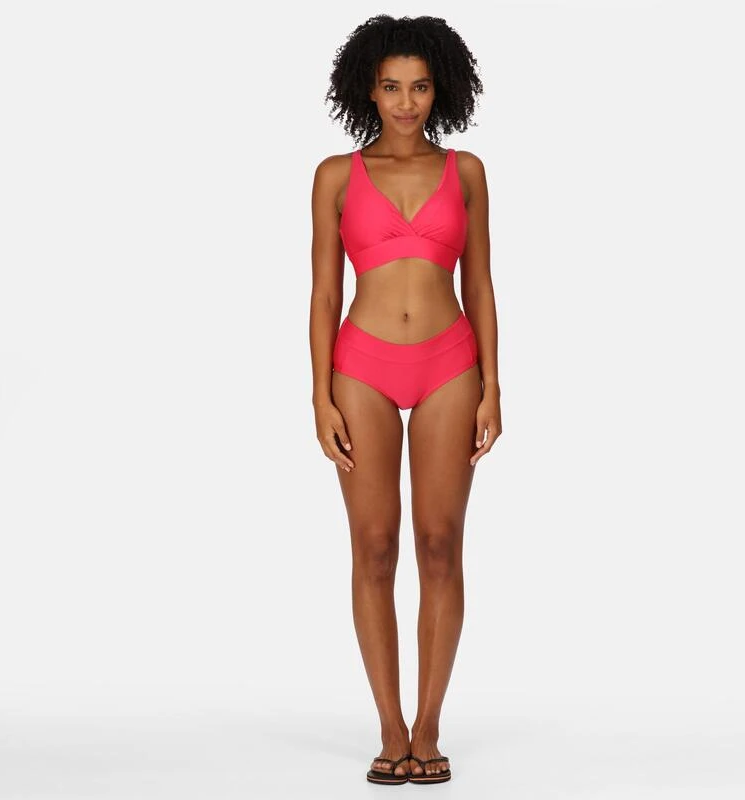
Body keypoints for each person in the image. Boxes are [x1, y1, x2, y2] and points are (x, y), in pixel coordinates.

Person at [309, 14, 502, 785]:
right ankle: (389, 728)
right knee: (375, 546)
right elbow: (324, 293)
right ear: (368, 90)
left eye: (420, 87)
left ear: (439, 90)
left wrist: (493, 385)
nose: (406, 102)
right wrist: (319, 396)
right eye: (391, 87)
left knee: (440, 543)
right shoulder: (335, 175)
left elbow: (480, 284)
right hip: (360, 368)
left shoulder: (467, 171)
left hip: (450, 365)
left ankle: (428, 726)